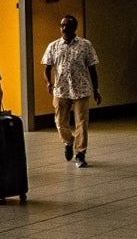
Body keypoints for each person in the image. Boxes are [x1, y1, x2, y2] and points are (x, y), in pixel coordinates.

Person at [41, 14, 101, 167]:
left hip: (81, 89)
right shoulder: (53, 46)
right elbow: (47, 68)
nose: (64, 28)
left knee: (82, 122)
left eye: (67, 25)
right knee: (60, 121)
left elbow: (92, 68)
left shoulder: (85, 45)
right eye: (62, 25)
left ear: (75, 27)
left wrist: (96, 89)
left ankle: (80, 153)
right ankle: (68, 142)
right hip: (61, 90)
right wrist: (49, 83)